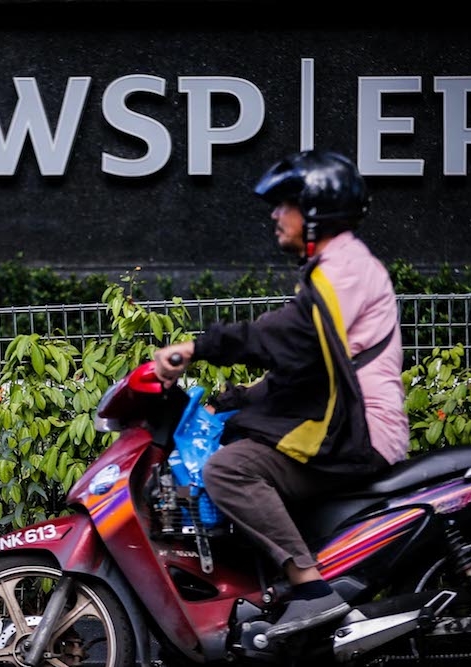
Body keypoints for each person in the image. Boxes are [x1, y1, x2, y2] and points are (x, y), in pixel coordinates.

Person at [153, 149, 409, 640]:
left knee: (228, 469)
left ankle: (311, 592)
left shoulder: (344, 270)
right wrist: (231, 402)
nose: (275, 215)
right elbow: (302, 369)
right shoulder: (336, 267)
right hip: (344, 423)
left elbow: (291, 337)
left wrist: (199, 346)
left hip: (359, 432)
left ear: (316, 212)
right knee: (233, 437)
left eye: (284, 204)